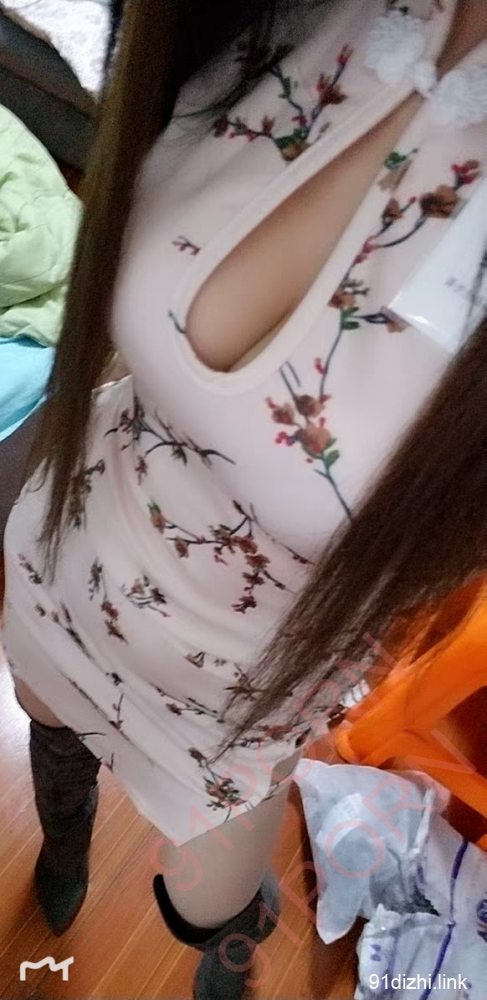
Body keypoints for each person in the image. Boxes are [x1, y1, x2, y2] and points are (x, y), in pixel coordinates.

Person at [2, 0, 487, 995]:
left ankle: (224, 949)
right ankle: (63, 843)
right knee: (51, 735)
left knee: (205, 909)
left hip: (240, 696)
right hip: (69, 549)